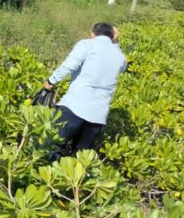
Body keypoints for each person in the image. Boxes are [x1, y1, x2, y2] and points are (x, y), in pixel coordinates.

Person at [42, 22, 126, 160]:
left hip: (74, 107)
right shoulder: (120, 56)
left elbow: (69, 66)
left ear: (92, 33)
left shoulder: (87, 44)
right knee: (79, 160)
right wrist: (115, 43)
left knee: (52, 148)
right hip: (98, 116)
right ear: (112, 36)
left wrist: (51, 81)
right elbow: (122, 66)